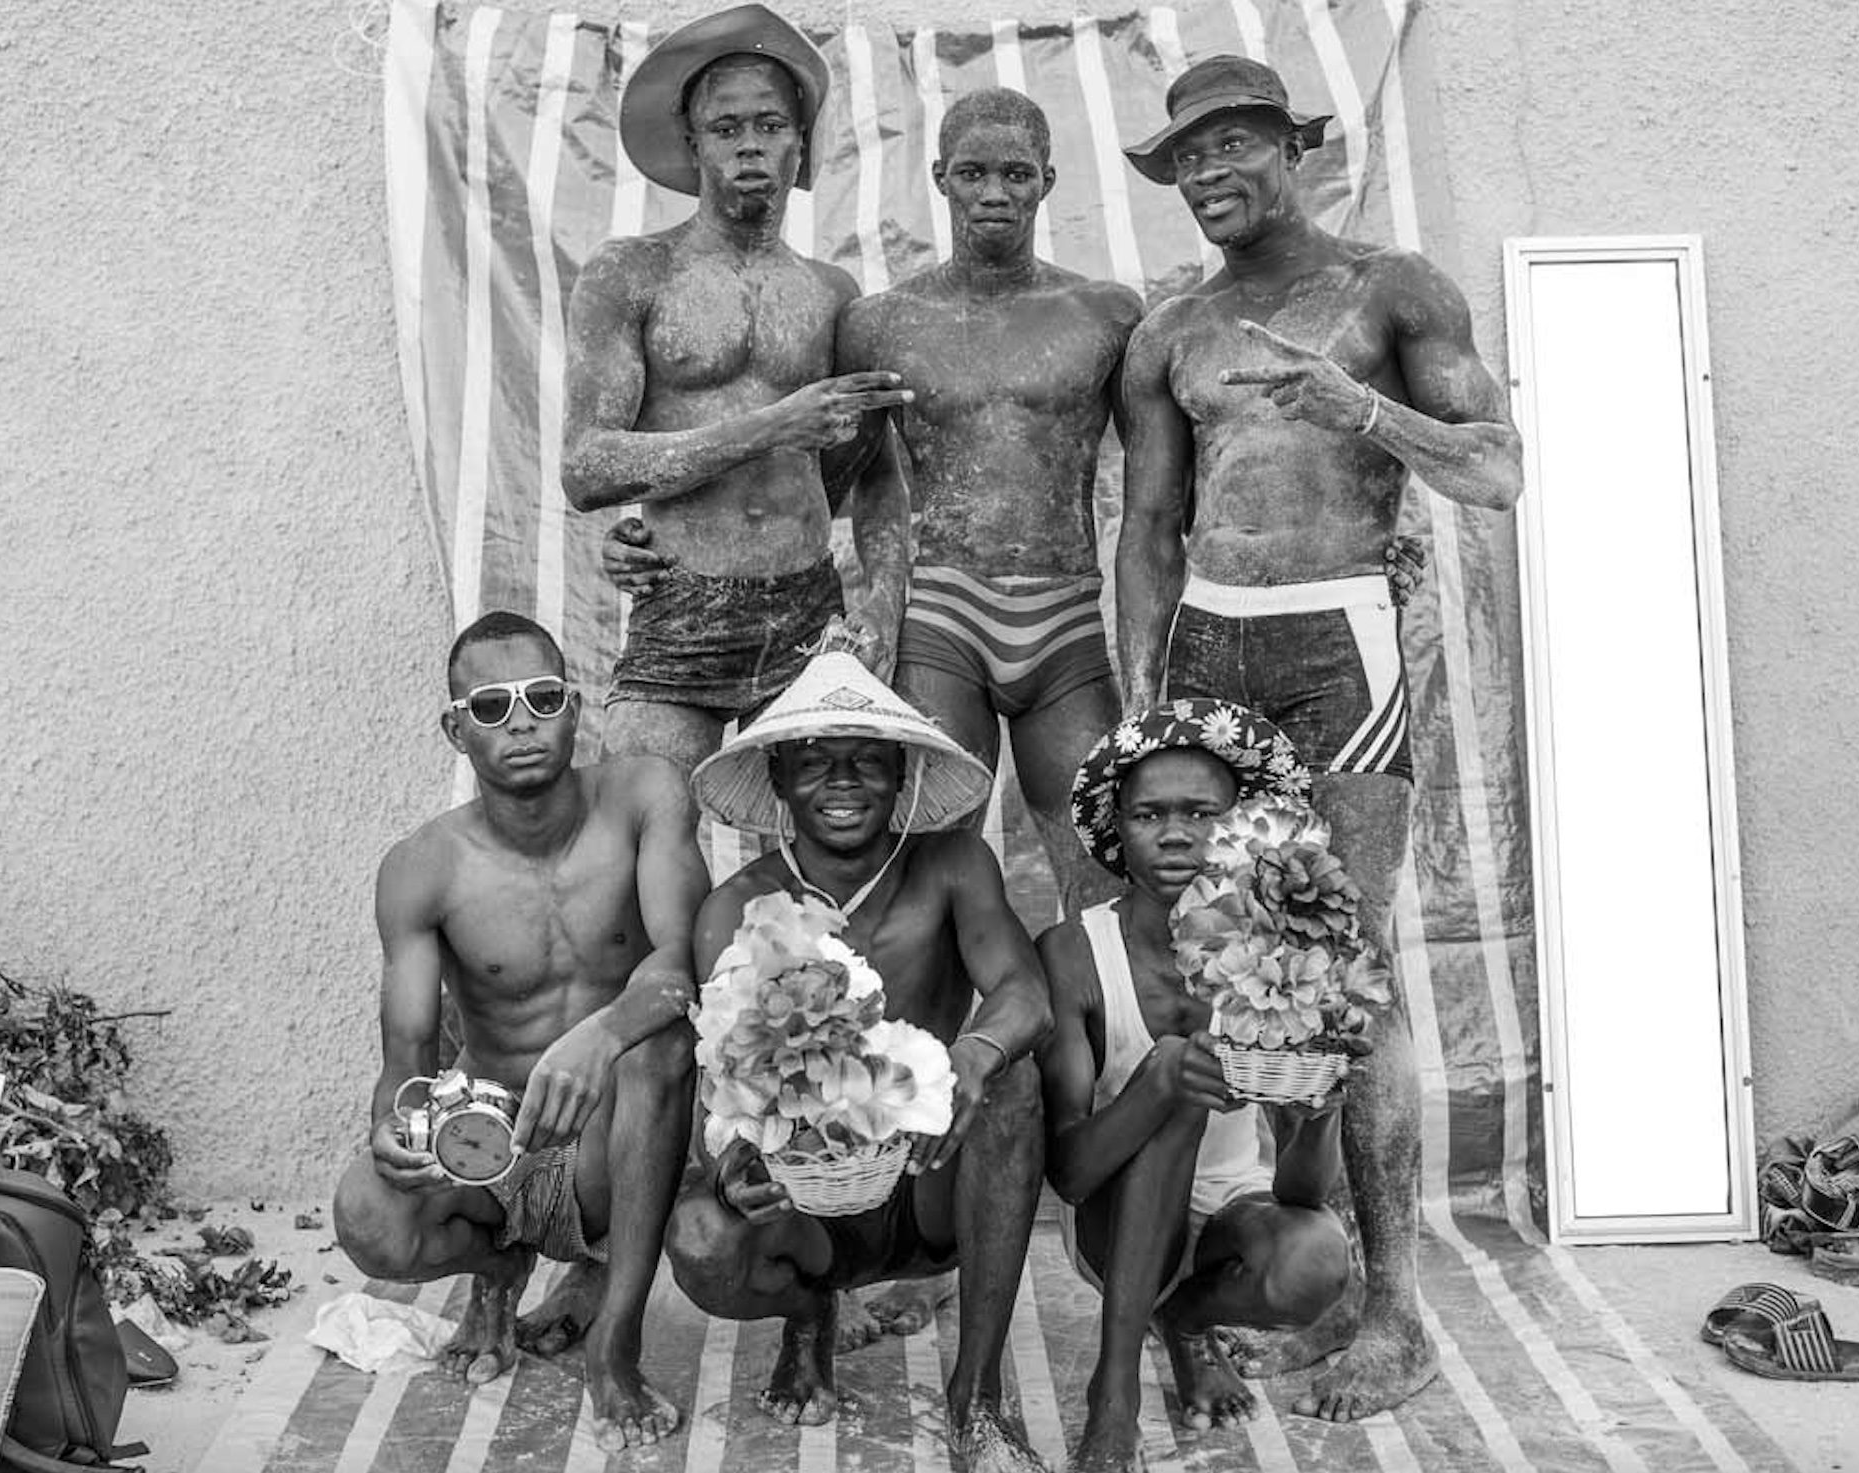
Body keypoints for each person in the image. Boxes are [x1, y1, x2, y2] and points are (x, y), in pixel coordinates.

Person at [1113, 57, 1522, 1421]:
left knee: (1352, 966)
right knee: (1244, 967)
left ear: (1293, 147)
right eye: (1188, 158)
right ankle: (1311, 1266)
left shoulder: (1389, 291)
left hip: (1335, 637)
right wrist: (1142, 690)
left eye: (1234, 143)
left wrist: (1365, 411)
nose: (1212, 173)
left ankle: (1393, 1312)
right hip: (1205, 647)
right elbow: (1150, 529)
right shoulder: (1172, 326)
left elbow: (1492, 471)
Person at [607, 87, 1140, 919]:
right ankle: (911, 1049)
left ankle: (1098, 1045)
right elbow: (828, 476)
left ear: (1048, 181)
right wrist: (662, 530)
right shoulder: (882, 322)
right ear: (939, 178)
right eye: (972, 173)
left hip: (1064, 615)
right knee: (918, 862)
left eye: (1013, 173)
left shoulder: (1107, 313)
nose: (993, 193)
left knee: (1099, 851)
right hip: (941, 617)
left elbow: (1162, 486)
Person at [663, 625, 1052, 1471]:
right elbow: (716, 1084)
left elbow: (1024, 991)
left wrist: (976, 1056)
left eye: (867, 760)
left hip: (926, 1182)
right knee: (699, 1238)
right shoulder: (738, 902)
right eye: (813, 760)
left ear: (903, 773)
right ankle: (810, 1317)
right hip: (805, 1201)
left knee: (1015, 1085)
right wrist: (733, 1163)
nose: (842, 782)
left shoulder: (953, 864)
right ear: (777, 779)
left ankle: (976, 1398)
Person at [330, 611, 708, 1448]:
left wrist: (602, 1035)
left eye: (542, 697)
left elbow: (685, 963)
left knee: (662, 1051)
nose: (522, 721)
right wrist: (393, 1129)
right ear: (454, 728)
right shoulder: (420, 867)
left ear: (576, 707)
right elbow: (407, 1058)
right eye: (491, 706)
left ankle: (614, 1337)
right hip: (491, 1135)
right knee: (367, 1211)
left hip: (621, 1138)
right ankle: (496, 1266)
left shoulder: (646, 795)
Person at [559, 4, 913, 775]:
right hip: (680, 599)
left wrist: (880, 605)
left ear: (800, 141)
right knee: (643, 831)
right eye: (725, 127)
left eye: (770, 123)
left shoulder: (829, 292)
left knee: (819, 855)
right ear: (692, 143)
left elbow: (878, 473)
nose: (749, 143)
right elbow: (585, 469)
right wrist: (767, 428)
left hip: (805, 606)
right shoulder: (631, 272)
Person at [1040, 700, 1355, 1471]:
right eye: (1149, 813)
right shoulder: (1077, 952)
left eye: (1201, 813)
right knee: (1179, 1072)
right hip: (1113, 1227)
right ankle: (1112, 1391)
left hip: (1230, 1220)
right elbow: (1070, 1171)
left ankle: (1182, 1320)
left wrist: (1316, 1117)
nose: (1176, 832)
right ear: (1118, 826)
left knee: (1314, 1259)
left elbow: (1303, 1192)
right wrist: (1154, 1081)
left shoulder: (1278, 952)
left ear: (1239, 825)